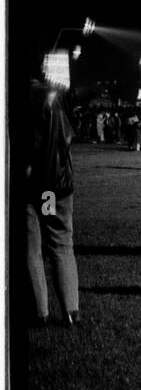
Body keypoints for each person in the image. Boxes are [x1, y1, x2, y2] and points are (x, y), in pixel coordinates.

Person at [25, 79, 81, 327]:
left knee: (32, 249)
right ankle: (71, 311)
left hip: (32, 186)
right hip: (57, 184)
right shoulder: (56, 100)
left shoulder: (26, 100)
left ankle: (41, 312)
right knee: (62, 245)